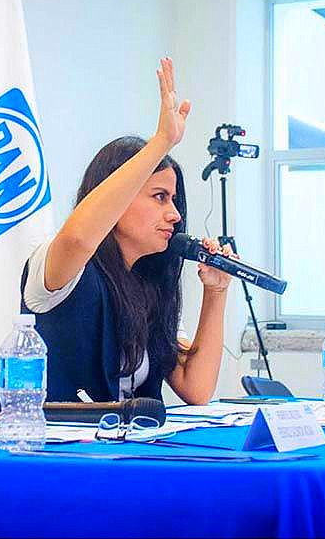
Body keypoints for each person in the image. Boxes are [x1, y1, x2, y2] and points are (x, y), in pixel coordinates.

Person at [21, 58, 234, 405]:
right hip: (63, 439)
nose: (175, 215)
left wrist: (216, 291)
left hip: (130, 437)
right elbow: (78, 238)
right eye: (159, 197)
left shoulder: (148, 285)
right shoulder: (62, 264)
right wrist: (162, 142)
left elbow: (196, 388)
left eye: (174, 200)